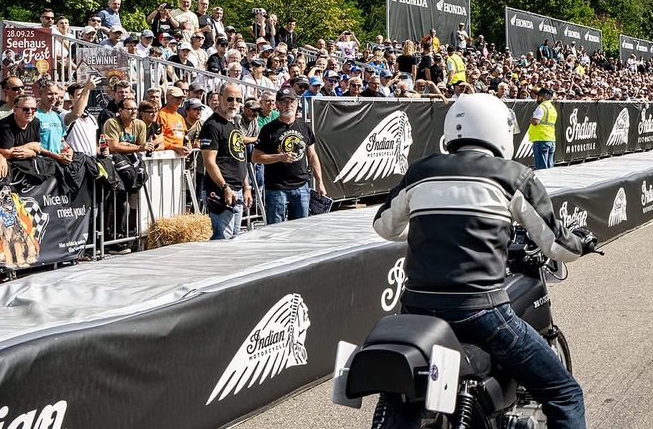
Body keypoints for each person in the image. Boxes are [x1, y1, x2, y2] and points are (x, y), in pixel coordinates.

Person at [372, 94, 597, 428]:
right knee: (565, 393)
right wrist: (584, 241)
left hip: (416, 311)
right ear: (498, 130)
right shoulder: (513, 176)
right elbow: (558, 246)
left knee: (401, 397)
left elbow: (384, 226)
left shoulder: (420, 171)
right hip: (481, 310)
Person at [252, 87, 326, 223]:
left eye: (292, 101)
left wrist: (320, 182)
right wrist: (280, 157)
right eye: (284, 102)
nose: (288, 105)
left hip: (301, 187)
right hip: (276, 189)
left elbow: (312, 156)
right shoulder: (268, 129)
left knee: (300, 230)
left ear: (297, 103)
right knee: (275, 232)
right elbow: (256, 157)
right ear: (278, 105)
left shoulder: (304, 127)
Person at [199, 84, 251, 240]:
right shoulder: (211, 125)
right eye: (229, 99)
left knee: (235, 238)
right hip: (221, 189)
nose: (234, 103)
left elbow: (240, 157)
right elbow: (209, 162)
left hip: (237, 189)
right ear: (219, 98)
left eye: (238, 99)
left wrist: (246, 186)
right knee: (222, 240)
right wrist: (225, 187)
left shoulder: (233, 123)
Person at [528, 87, 557, 169]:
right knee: (549, 167)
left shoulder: (541, 107)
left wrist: (531, 120)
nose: (537, 98)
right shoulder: (553, 108)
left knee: (541, 169)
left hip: (541, 140)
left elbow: (536, 122)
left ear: (542, 96)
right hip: (551, 140)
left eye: (538, 96)